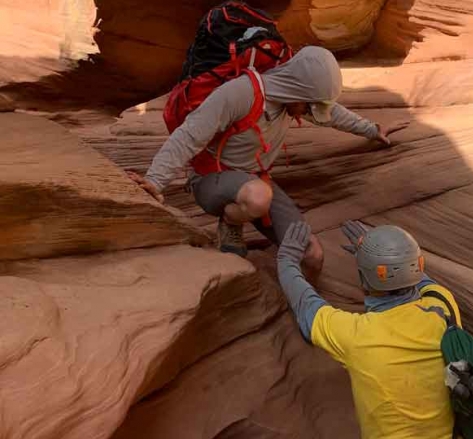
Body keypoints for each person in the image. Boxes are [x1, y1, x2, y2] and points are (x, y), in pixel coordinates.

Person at [128, 46, 407, 278]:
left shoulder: (294, 99)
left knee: (312, 253)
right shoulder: (241, 93)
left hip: (256, 181)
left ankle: (304, 314)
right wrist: (155, 180)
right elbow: (189, 135)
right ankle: (229, 222)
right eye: (310, 105)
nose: (311, 112)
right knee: (258, 196)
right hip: (211, 179)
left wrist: (373, 129)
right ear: (297, 88)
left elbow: (334, 115)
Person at [276, 220, 470, 439]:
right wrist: (387, 253)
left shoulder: (357, 336)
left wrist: (286, 260)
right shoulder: (443, 306)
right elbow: (423, 280)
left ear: (363, 278)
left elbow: (307, 307)